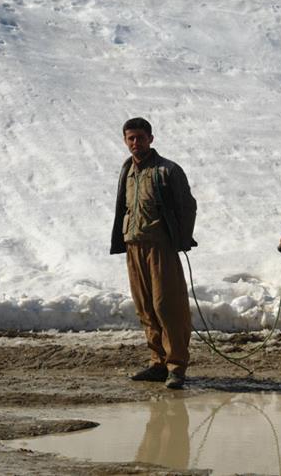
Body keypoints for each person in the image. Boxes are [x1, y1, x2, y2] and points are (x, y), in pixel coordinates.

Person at [110, 117, 197, 389]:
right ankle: (158, 362)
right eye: (130, 138)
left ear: (151, 138)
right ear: (125, 141)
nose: (136, 143)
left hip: (160, 247)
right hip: (134, 246)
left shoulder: (167, 170)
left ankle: (176, 367)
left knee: (167, 307)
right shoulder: (128, 170)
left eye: (140, 137)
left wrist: (179, 239)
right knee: (145, 307)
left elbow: (187, 206)